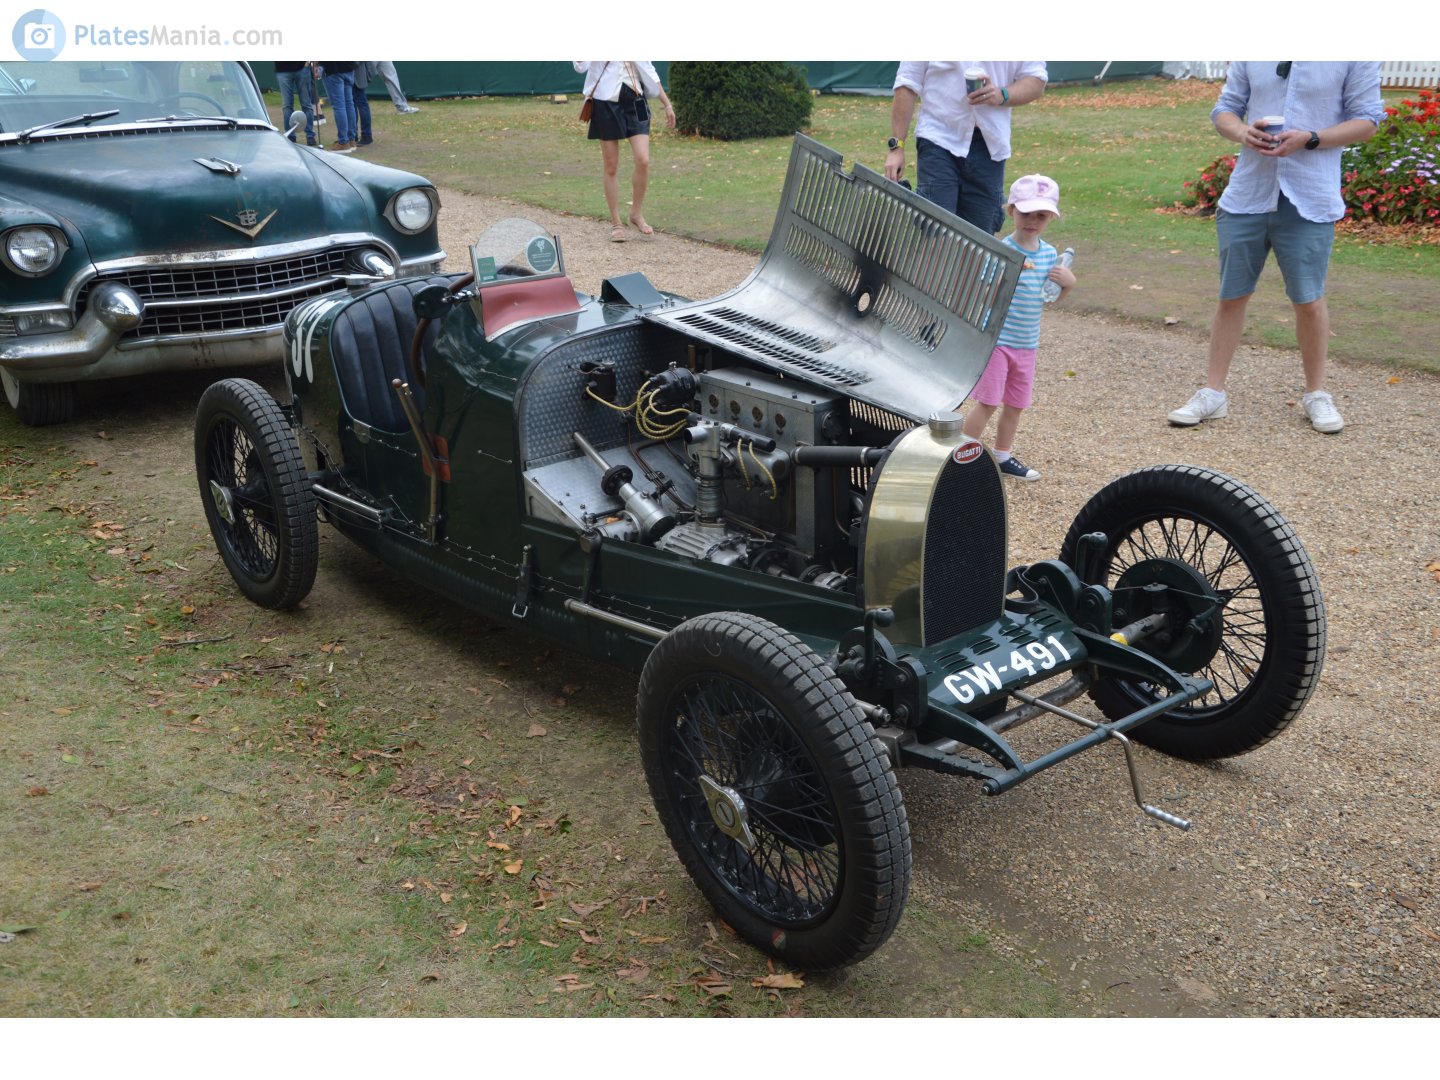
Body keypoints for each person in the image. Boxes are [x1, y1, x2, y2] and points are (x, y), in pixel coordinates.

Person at [1167, 62, 1386, 434]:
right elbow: (1225, 110)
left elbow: (1367, 120)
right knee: (1231, 297)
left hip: (1311, 198)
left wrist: (1310, 138)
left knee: (1308, 300)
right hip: (1247, 196)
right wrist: (1242, 132)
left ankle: (1316, 393)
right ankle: (1213, 393)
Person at [960, 174, 1075, 481]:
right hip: (998, 341)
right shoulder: (1003, 250)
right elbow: (984, 293)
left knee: (1016, 404)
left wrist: (1068, 285)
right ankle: (961, 455)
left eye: (1041, 215)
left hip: (1027, 344)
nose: (1033, 221)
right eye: (1026, 213)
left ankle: (1002, 455)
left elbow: (1049, 298)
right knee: (987, 401)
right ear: (1011, 210)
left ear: (1050, 216)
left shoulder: (1050, 254)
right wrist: (1004, 277)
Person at [885, 61, 1047, 234]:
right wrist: (897, 148)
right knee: (934, 230)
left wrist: (1002, 94)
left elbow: (1036, 80)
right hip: (938, 138)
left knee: (980, 238)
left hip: (990, 145)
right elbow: (907, 83)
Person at [573, 61, 676, 242]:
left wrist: (667, 104)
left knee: (643, 160)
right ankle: (616, 223)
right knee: (611, 166)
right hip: (606, 102)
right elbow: (580, 66)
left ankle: (636, 213)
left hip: (637, 100)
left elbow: (649, 69)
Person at [274, 61, 317, 147]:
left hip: (302, 67)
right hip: (282, 69)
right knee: (287, 105)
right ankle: (290, 136)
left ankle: (310, 136)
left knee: (306, 104)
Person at [318, 61, 357, 153]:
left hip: (334, 69)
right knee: (348, 104)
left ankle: (343, 142)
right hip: (348, 66)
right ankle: (351, 140)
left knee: (339, 106)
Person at [351, 61, 374, 147]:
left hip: (356, 76)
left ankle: (365, 135)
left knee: (360, 106)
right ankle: (355, 135)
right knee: (356, 106)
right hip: (357, 77)